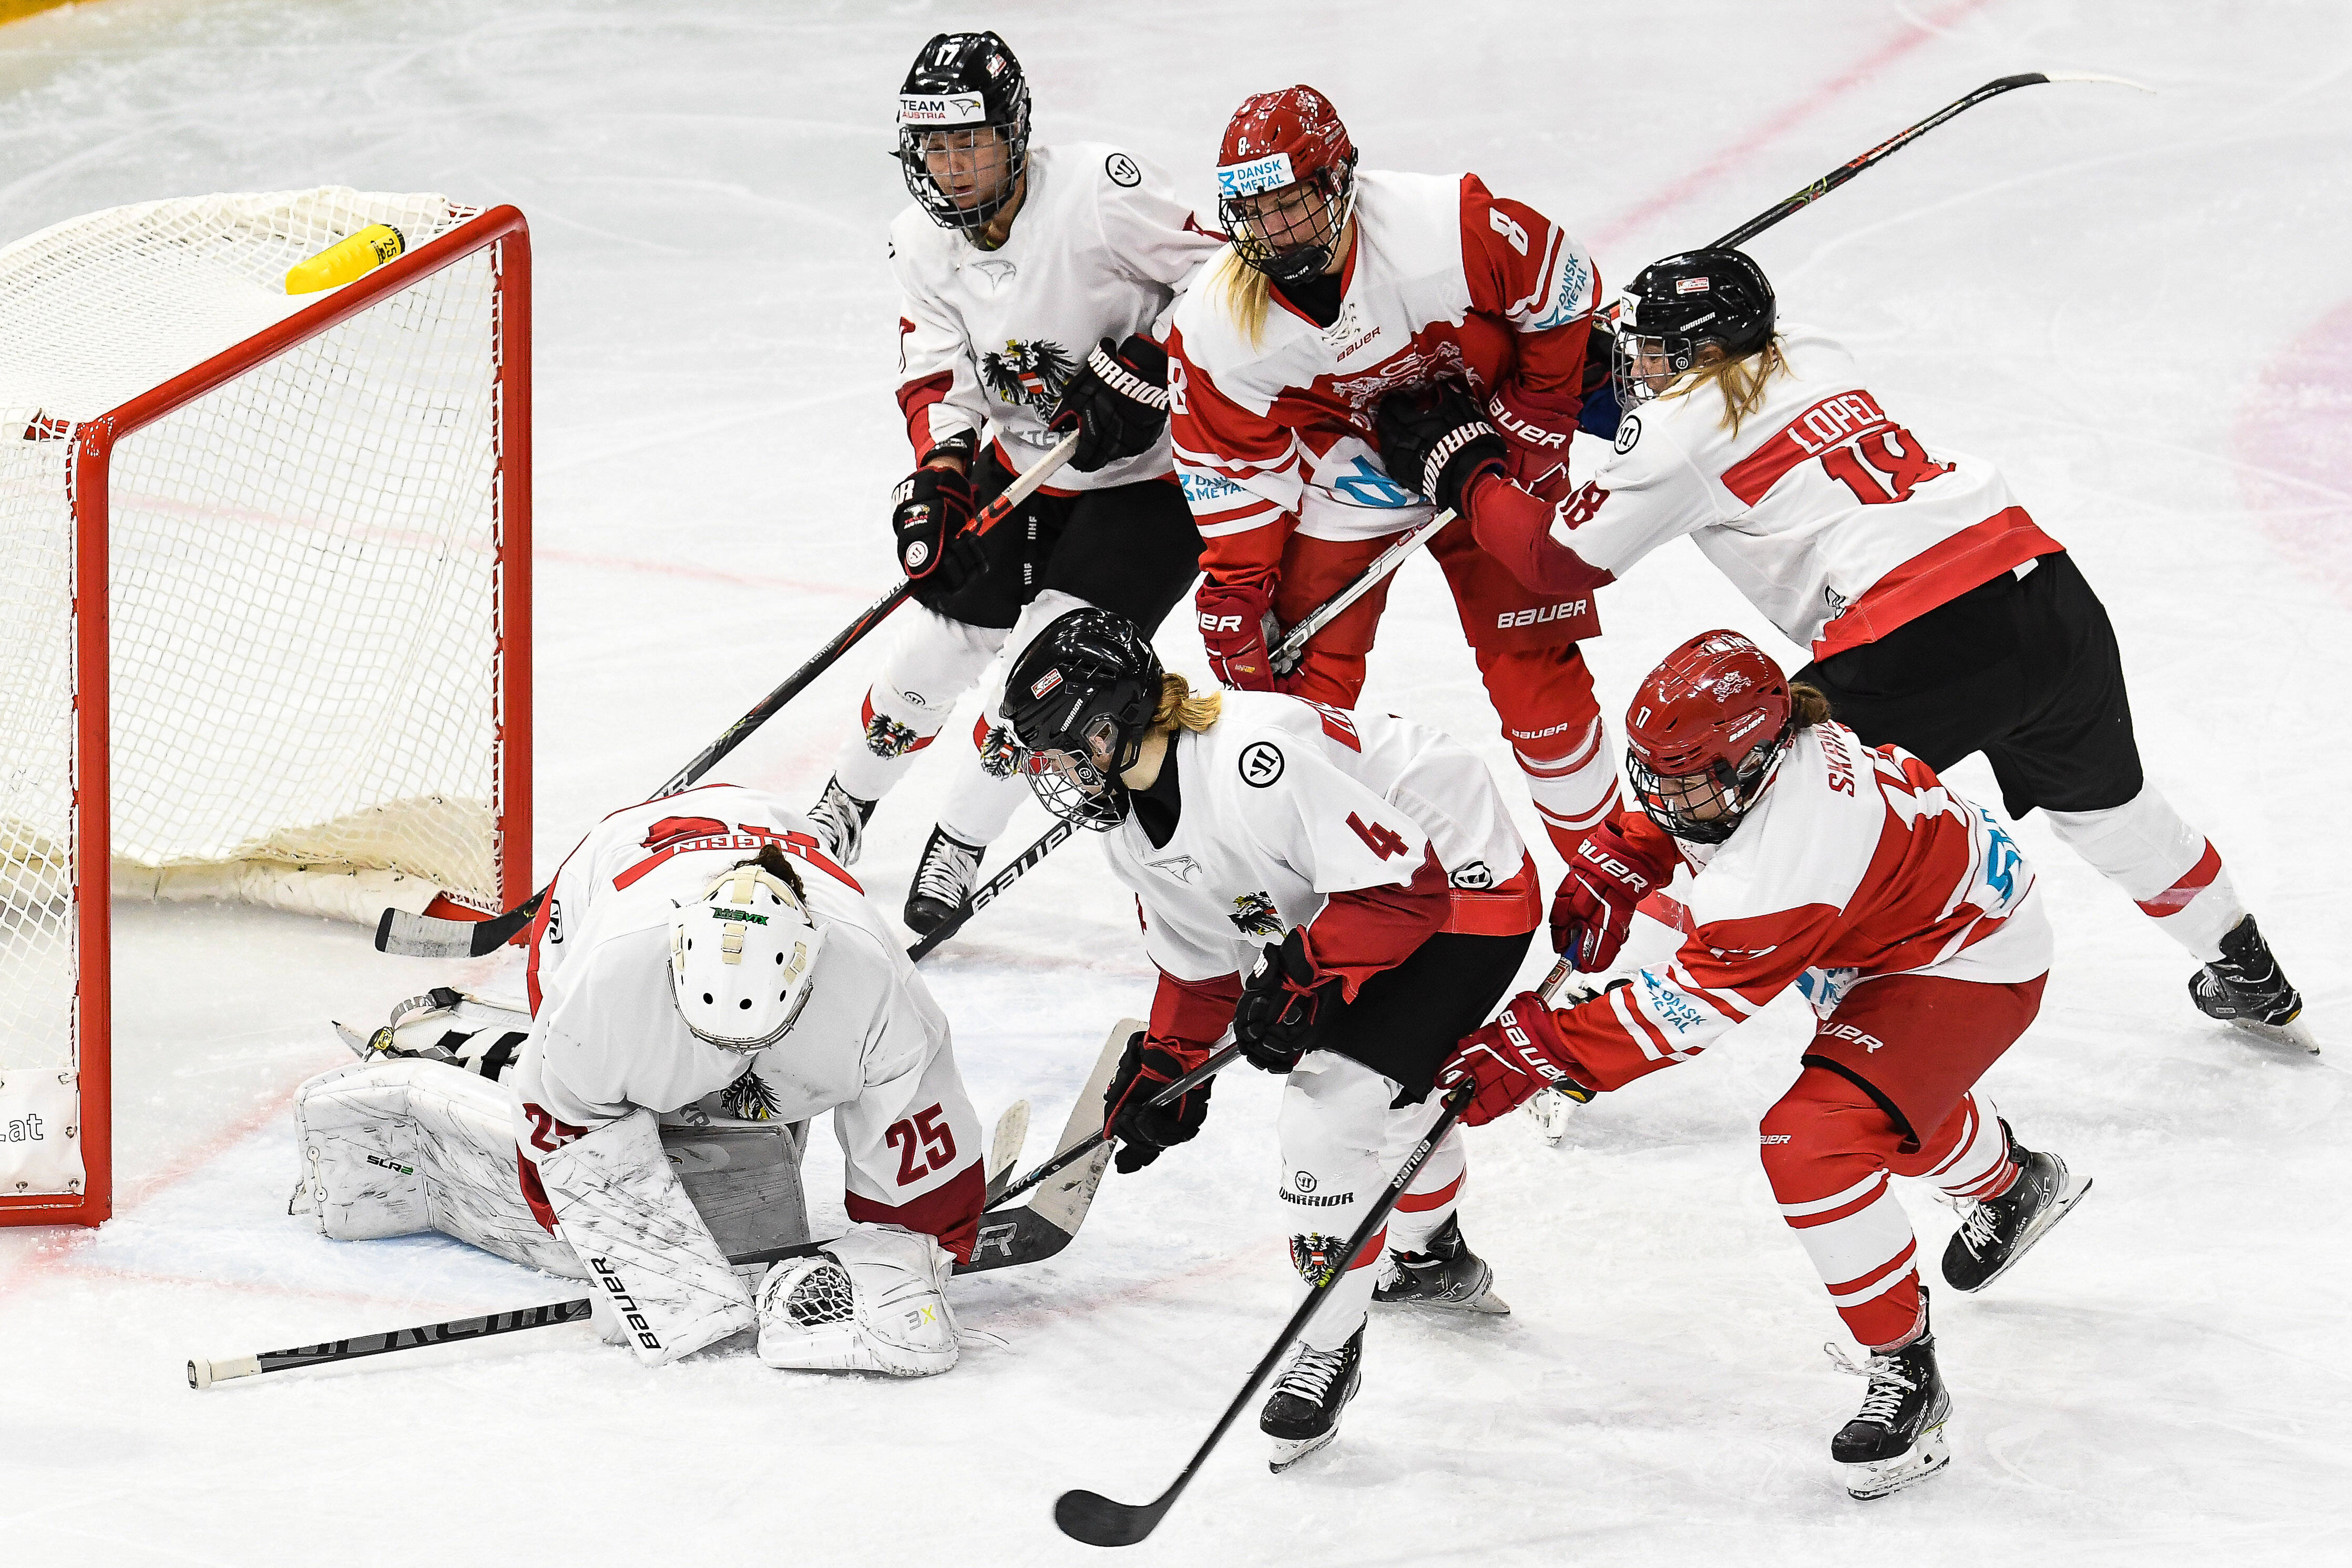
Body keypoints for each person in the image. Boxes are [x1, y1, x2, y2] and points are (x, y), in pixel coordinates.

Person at [1378, 246, 2314, 1049]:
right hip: (2043, 592)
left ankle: (1592, 1010)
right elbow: (1686, 421)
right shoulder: (1811, 352)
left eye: (1658, 351)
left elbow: (1551, 558)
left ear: (1698, 353)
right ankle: (2246, 967)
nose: (1642, 367)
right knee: (2110, 811)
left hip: (1913, 639)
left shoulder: (1671, 439)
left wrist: (1459, 460)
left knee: (1732, 817)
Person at [1438, 630, 2092, 1499]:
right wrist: (1623, 854)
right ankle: (2010, 1185)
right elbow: (1684, 812)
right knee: (1887, 1117)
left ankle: (1907, 1371)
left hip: (1964, 957)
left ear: (1753, 755)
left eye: (1688, 780)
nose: (1668, 796)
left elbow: (1690, 1009)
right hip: (1879, 931)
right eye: (1656, 775)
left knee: (1813, 1141)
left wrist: (1539, 1047)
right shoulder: (1757, 764)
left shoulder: (1793, 854)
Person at [997, 607, 1542, 1470]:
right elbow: (1202, 969)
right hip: (1365, 897)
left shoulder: (1254, 763)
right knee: (1393, 1089)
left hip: (1463, 885)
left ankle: (1326, 1344)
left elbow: (1410, 891)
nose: (1060, 776)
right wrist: (1169, 1069)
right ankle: (1432, 1255)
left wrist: (1310, 975)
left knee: (1328, 1109)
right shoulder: (1133, 834)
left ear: (1116, 720)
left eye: (1067, 751)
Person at [804, 29, 1218, 936]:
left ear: (1014, 131)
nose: (951, 168)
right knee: (931, 652)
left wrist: (1145, 366)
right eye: (934, 147)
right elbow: (934, 370)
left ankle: (960, 841)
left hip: (1148, 487)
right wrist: (944, 474)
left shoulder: (1099, 194)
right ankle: (843, 807)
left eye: (970, 143)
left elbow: (1225, 278)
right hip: (1023, 469)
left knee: (1038, 687)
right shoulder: (919, 239)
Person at [1162, 84, 1623, 864]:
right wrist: (1238, 589)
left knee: (1534, 672)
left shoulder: (1443, 224)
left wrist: (1535, 423)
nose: (1272, 232)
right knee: (1296, 687)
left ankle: (1610, 867)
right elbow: (1232, 466)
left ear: (1340, 180)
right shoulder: (1214, 322)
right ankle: (1313, 873)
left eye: (1290, 204)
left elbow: (1561, 288)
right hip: (1351, 479)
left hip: (1490, 443)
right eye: (1254, 212)